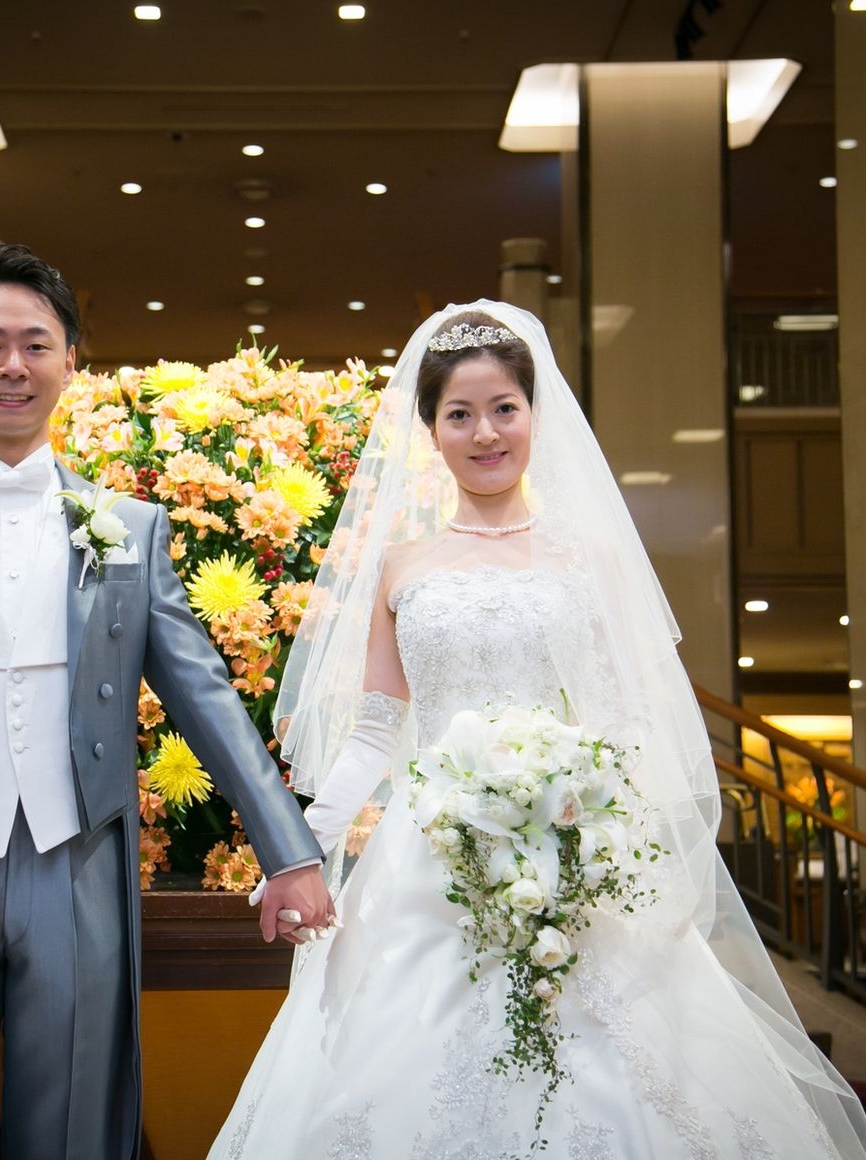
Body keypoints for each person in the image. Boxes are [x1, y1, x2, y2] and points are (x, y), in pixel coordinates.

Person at [210, 300, 866, 1158]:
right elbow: (374, 732)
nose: (485, 432)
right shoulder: (402, 566)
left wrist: (643, 867)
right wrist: (297, 852)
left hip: (573, 855)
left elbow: (627, 728)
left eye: (503, 408)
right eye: (459, 414)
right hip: (430, 862)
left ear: (533, 415)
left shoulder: (588, 560)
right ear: (430, 430)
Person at [0, 242, 334, 1160]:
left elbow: (204, 694)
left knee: (75, 1133)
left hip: (78, 861)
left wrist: (288, 852)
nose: (13, 365)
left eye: (36, 344)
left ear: (70, 362)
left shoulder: (129, 528)